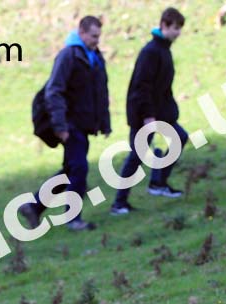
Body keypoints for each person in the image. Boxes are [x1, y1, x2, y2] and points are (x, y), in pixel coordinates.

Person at [19, 15, 111, 231]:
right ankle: (73, 219)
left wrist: (104, 123)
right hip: (69, 125)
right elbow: (54, 91)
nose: (96, 40)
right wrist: (60, 126)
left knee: (71, 170)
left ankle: (34, 207)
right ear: (81, 32)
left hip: (83, 124)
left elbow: (101, 92)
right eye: (93, 36)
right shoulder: (69, 56)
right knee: (79, 168)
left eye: (99, 36)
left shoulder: (94, 57)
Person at [111, 7, 188, 215]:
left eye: (180, 28)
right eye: (175, 28)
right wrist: (147, 116)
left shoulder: (164, 49)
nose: (178, 33)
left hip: (161, 112)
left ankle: (158, 182)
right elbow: (141, 86)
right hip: (145, 114)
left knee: (180, 137)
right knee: (137, 156)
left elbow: (162, 86)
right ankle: (119, 203)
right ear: (163, 25)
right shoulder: (151, 51)